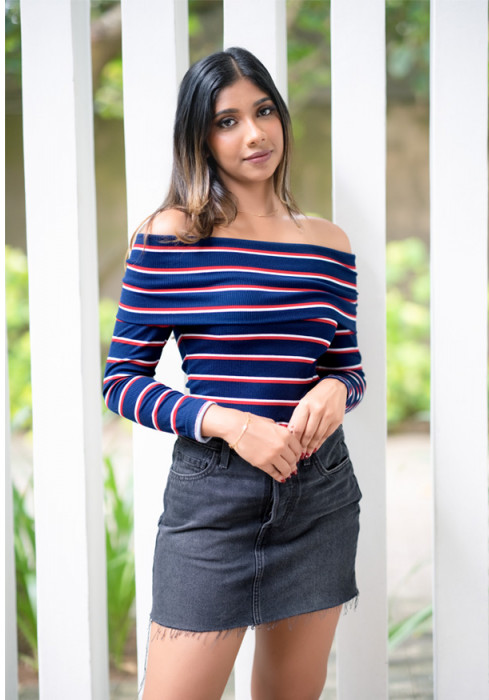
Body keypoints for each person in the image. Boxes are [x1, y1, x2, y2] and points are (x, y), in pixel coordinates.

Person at [103, 46, 365, 700]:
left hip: (318, 492)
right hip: (213, 501)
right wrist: (231, 423)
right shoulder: (172, 236)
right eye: (227, 120)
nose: (254, 133)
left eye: (264, 111)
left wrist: (335, 390)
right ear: (201, 136)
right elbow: (122, 382)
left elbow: (347, 367)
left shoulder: (330, 243)